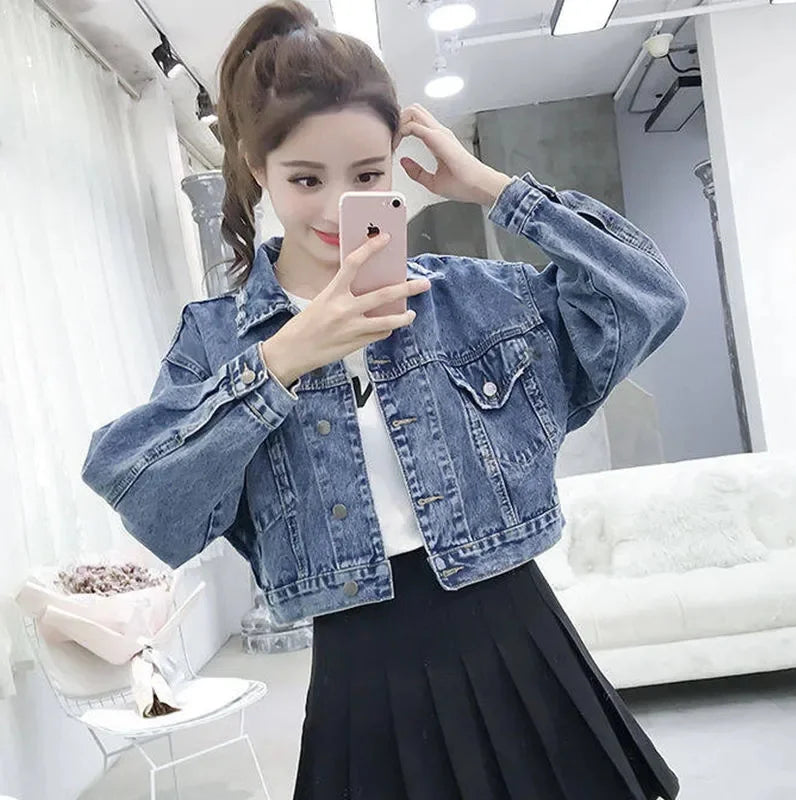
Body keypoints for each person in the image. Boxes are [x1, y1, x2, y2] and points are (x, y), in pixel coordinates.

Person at [82, 2, 688, 798]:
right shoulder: (219, 340)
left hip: (520, 642)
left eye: (367, 176)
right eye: (306, 179)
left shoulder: (470, 298)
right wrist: (283, 359)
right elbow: (152, 504)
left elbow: (648, 296)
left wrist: (493, 189)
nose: (339, 207)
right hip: (361, 676)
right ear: (258, 169)